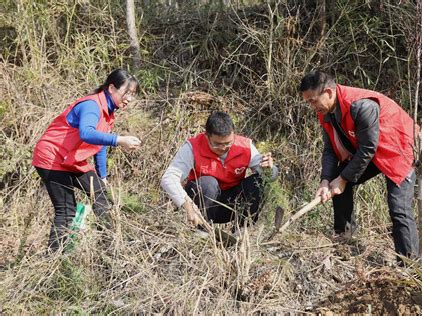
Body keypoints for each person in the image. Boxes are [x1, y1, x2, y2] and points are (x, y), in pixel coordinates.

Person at [300, 70, 419, 260]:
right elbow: (330, 150)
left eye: (313, 100)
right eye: (307, 102)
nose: (311, 106)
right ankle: (344, 240)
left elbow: (368, 149)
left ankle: (410, 265)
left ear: (328, 93)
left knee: (398, 207)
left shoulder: (361, 105)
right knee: (336, 185)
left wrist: (344, 179)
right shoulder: (326, 112)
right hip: (372, 151)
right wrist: (325, 181)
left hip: (400, 149)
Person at [33, 69, 141, 251]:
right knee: (66, 210)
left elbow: (99, 144)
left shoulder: (109, 111)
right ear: (112, 88)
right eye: (126, 93)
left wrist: (103, 176)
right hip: (52, 157)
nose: (129, 99)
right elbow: (87, 133)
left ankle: (109, 250)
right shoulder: (92, 105)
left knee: (102, 196)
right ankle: (53, 261)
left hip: (71, 160)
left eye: (133, 95)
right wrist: (119, 140)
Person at [161, 111, 278, 232]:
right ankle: (202, 231)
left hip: (232, 205)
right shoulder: (192, 147)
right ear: (207, 136)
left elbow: (270, 176)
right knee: (207, 183)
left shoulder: (245, 146)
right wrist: (187, 205)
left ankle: (242, 231)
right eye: (217, 144)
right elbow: (169, 178)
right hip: (202, 204)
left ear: (234, 135)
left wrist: (269, 170)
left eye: (228, 143)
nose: (223, 148)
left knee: (257, 182)